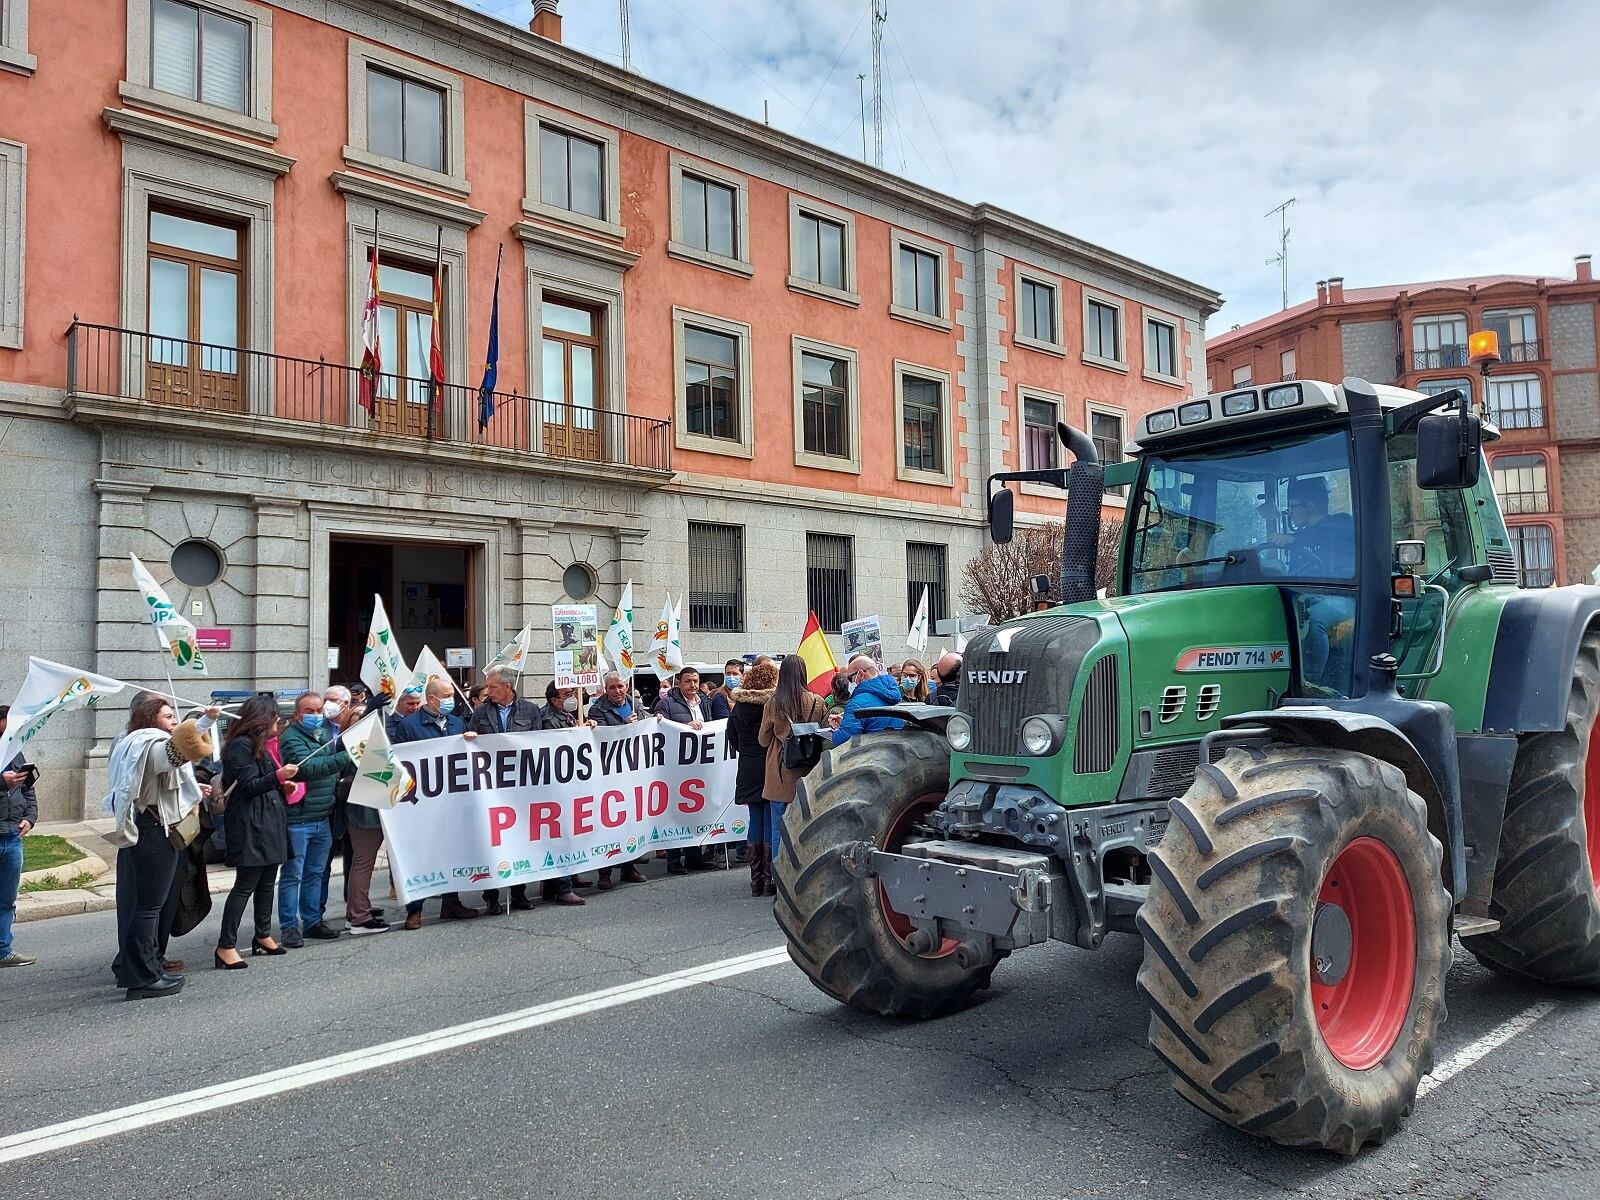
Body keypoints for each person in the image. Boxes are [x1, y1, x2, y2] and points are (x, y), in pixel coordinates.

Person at [107, 693, 212, 998]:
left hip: (151, 828)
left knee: (147, 906)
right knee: (148, 907)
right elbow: (179, 753)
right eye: (168, 716)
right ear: (151, 718)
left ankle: (146, 969)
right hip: (153, 831)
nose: (175, 721)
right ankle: (142, 979)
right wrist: (205, 721)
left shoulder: (140, 741)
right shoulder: (151, 744)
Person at [395, 676, 483, 927]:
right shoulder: (409, 725)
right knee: (423, 854)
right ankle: (415, 909)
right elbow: (404, 760)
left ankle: (451, 902)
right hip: (423, 801)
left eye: (452, 696)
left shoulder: (456, 722)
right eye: (446, 696)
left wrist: (470, 740)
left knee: (451, 851)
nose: (450, 700)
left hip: (452, 800)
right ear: (431, 699)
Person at [216, 695, 297, 968]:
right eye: (275, 717)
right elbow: (247, 785)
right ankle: (225, 945)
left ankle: (262, 934)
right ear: (263, 719)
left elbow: (264, 782)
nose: (278, 722)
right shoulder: (240, 746)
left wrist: (281, 785)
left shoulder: (261, 745)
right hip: (251, 823)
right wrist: (278, 777)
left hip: (269, 819)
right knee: (245, 885)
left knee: (266, 882)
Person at [277, 691, 353, 945]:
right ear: (298, 715)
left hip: (323, 815)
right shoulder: (290, 738)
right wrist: (348, 755)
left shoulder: (322, 733)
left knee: (316, 873)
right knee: (293, 875)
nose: (316, 715)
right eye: (310, 711)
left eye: (319, 710)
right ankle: (289, 926)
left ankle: (312, 922)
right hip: (299, 818)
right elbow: (306, 769)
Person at [1266, 476, 1357, 688]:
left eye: (1293, 507)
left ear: (1310, 505)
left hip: (1347, 595)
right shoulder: (1302, 536)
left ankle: (1310, 682)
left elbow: (1325, 534)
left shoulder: (1340, 523)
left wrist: (1294, 540)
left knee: (1316, 619)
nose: (1290, 513)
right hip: (1312, 596)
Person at [758, 655, 828, 894]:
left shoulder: (774, 703)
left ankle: (779, 881)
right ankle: (805, 879)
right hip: (808, 772)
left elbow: (763, 738)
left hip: (779, 770)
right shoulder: (817, 701)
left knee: (779, 826)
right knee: (805, 827)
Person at [527, 680, 594, 907]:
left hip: (569, 782)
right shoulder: (548, 719)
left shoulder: (567, 715)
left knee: (570, 830)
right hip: (554, 785)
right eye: (568, 694)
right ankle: (561, 887)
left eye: (574, 692)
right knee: (559, 833)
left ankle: (562, 879)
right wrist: (576, 733)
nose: (573, 697)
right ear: (555, 700)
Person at [653, 667, 714, 874]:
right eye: (688, 681)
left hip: (700, 766)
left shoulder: (705, 702)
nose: (693, 685)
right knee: (675, 812)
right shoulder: (666, 704)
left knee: (696, 811)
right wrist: (686, 726)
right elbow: (661, 729)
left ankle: (694, 855)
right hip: (675, 767)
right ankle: (673, 859)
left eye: (696, 681)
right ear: (679, 682)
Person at [589, 672, 647, 888]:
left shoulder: (636, 704)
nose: (617, 691)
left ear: (627, 686)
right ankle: (604, 872)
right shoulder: (598, 709)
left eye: (620, 686)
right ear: (606, 688)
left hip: (633, 770)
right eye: (612, 687)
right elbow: (603, 736)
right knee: (607, 821)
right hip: (609, 772)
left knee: (630, 819)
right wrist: (624, 724)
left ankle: (628, 866)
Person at [728, 660, 777, 896]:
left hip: (747, 766)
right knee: (770, 819)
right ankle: (769, 880)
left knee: (755, 818)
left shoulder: (737, 707)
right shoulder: (772, 705)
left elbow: (732, 740)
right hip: (768, 764)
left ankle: (755, 881)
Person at [0, 705, 38, 968]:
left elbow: (29, 791)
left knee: (6, 899)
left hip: (12, 836)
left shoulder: (15, 751)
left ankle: (4, 950)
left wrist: (30, 817)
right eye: (9, 721)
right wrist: (3, 782)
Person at [830, 655, 905, 745]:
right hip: (898, 754)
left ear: (861, 674)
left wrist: (837, 732)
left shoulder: (856, 704)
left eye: (850, 678)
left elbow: (844, 740)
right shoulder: (896, 696)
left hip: (872, 756)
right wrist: (846, 722)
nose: (850, 683)